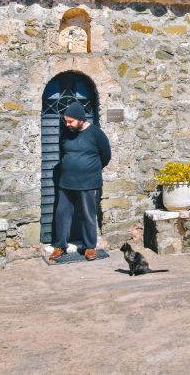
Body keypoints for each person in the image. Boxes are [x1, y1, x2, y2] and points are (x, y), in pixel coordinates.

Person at [50, 102, 111, 262]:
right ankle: (60, 246)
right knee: (62, 214)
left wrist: (90, 169)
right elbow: (62, 152)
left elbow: (106, 156)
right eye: (66, 121)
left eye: (70, 121)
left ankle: (89, 247)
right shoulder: (65, 133)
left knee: (87, 215)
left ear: (81, 119)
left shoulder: (96, 133)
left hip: (89, 182)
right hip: (66, 182)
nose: (67, 124)